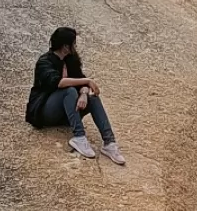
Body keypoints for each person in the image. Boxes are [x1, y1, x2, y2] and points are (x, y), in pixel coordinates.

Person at [25, 27, 125, 163]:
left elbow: (80, 79)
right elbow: (59, 82)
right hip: (45, 112)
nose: (75, 46)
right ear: (65, 46)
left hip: (66, 113)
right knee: (69, 90)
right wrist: (87, 81)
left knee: (92, 98)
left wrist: (84, 93)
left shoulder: (70, 60)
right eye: (73, 43)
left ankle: (109, 143)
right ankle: (79, 137)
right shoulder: (45, 62)